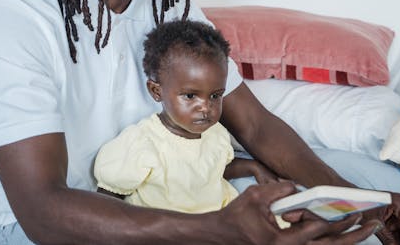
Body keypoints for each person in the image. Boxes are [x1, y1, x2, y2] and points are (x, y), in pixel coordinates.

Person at [0, 0, 400, 244]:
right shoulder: (12, 20)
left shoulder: (167, 5)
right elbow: (41, 209)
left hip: (167, 202)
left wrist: (352, 198)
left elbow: (254, 124)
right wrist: (216, 231)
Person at [93, 20, 285, 222]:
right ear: (157, 91)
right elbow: (108, 197)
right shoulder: (143, 143)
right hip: (168, 231)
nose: (206, 107)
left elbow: (212, 169)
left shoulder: (215, 134)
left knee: (278, 222)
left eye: (215, 96)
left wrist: (253, 167)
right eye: (190, 96)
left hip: (218, 220)